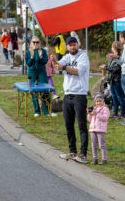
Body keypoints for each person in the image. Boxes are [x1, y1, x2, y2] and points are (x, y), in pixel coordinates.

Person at [53, 36, 90, 164]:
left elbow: (79, 71)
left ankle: (83, 154)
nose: (72, 47)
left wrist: (63, 68)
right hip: (67, 95)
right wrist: (54, 61)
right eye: (70, 45)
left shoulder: (83, 56)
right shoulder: (67, 57)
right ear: (67, 46)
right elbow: (58, 66)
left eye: (74, 45)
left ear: (77, 45)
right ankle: (72, 151)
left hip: (79, 95)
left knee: (81, 125)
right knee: (68, 125)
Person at [25, 36, 55, 117]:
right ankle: (37, 111)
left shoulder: (43, 51)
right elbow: (28, 64)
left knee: (45, 89)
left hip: (42, 72)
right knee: (33, 91)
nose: (35, 44)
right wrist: (31, 57)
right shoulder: (28, 52)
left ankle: (47, 110)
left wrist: (41, 56)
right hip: (32, 72)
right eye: (34, 42)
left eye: (37, 42)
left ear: (39, 43)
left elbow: (44, 62)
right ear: (31, 43)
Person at [100, 41, 125, 119]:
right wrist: (105, 66)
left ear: (114, 48)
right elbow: (110, 67)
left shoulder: (120, 57)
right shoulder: (111, 57)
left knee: (119, 97)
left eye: (112, 47)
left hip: (117, 80)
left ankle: (122, 114)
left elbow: (116, 69)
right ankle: (115, 113)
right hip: (111, 80)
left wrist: (106, 68)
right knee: (114, 97)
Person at [87, 92, 110, 165]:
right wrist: (89, 114)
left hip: (100, 129)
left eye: (100, 101)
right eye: (97, 101)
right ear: (95, 101)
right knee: (94, 145)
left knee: (101, 145)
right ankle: (95, 158)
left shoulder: (105, 109)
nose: (98, 103)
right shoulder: (94, 109)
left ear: (103, 101)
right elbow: (89, 120)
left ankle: (104, 159)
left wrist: (97, 114)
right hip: (93, 129)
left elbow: (105, 118)